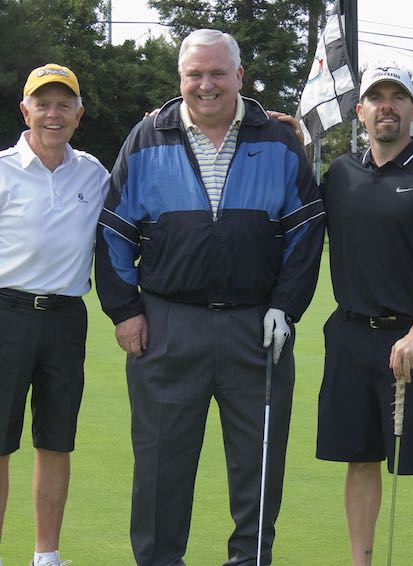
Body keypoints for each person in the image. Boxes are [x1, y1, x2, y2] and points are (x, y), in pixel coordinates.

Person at [94, 28, 325, 566]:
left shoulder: (278, 140)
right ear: (180, 79)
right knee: (160, 466)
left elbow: (307, 232)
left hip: (257, 327)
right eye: (195, 74)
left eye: (218, 73)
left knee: (259, 467)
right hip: (167, 326)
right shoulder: (148, 137)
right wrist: (125, 311)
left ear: (239, 76)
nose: (206, 84)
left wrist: (284, 308)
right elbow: (113, 231)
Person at [275, 65, 413, 566]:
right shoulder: (340, 175)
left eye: (397, 97)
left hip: (411, 341)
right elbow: (290, 211)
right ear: (360, 110)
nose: (386, 106)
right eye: (376, 97)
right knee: (358, 460)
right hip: (350, 338)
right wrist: (287, 140)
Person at [0, 64, 109, 566]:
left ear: (79, 114)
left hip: (66, 318)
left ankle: (46, 556)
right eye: (42, 104)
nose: (53, 113)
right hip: (6, 315)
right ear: (25, 111)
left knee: (55, 440)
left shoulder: (94, 173)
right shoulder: (2, 169)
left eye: (63, 104)